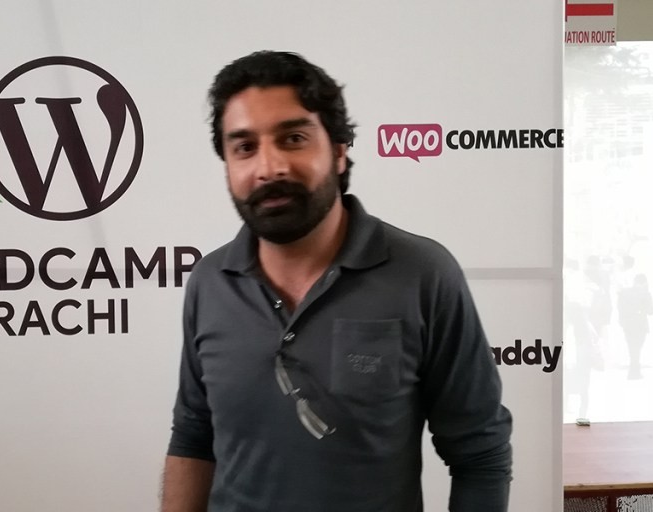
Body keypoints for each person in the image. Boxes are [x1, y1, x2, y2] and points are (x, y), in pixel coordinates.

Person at [162, 51, 512, 512]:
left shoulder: (423, 274)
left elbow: (480, 455)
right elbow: (193, 437)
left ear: (340, 151)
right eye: (244, 147)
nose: (269, 167)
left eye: (293, 138)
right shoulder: (210, 281)